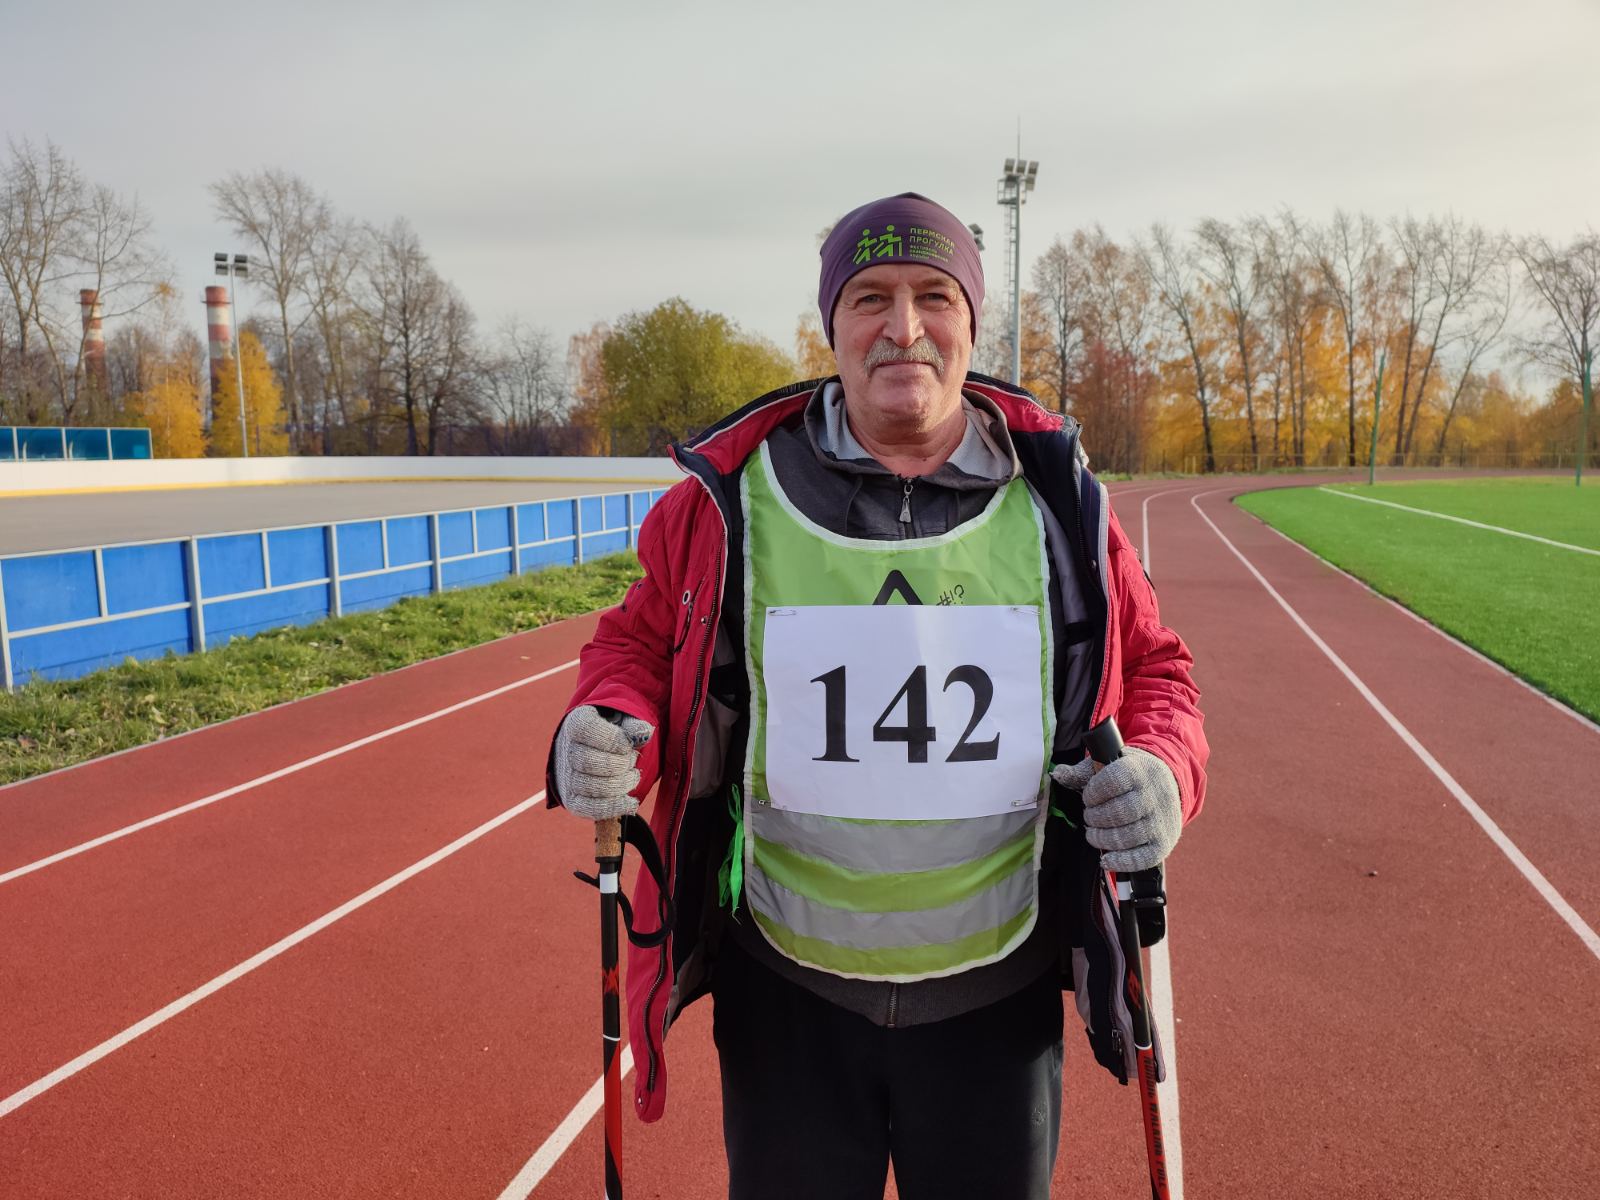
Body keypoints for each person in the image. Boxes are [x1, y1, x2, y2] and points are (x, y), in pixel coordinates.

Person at [548, 192, 1208, 1199]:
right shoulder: (729, 501)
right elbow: (635, 642)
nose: (904, 327)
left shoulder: (1057, 504)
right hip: (788, 1000)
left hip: (997, 1000)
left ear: (970, 321)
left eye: (934, 296)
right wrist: (599, 719)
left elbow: (1156, 668)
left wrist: (1164, 771)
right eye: (870, 299)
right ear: (832, 326)